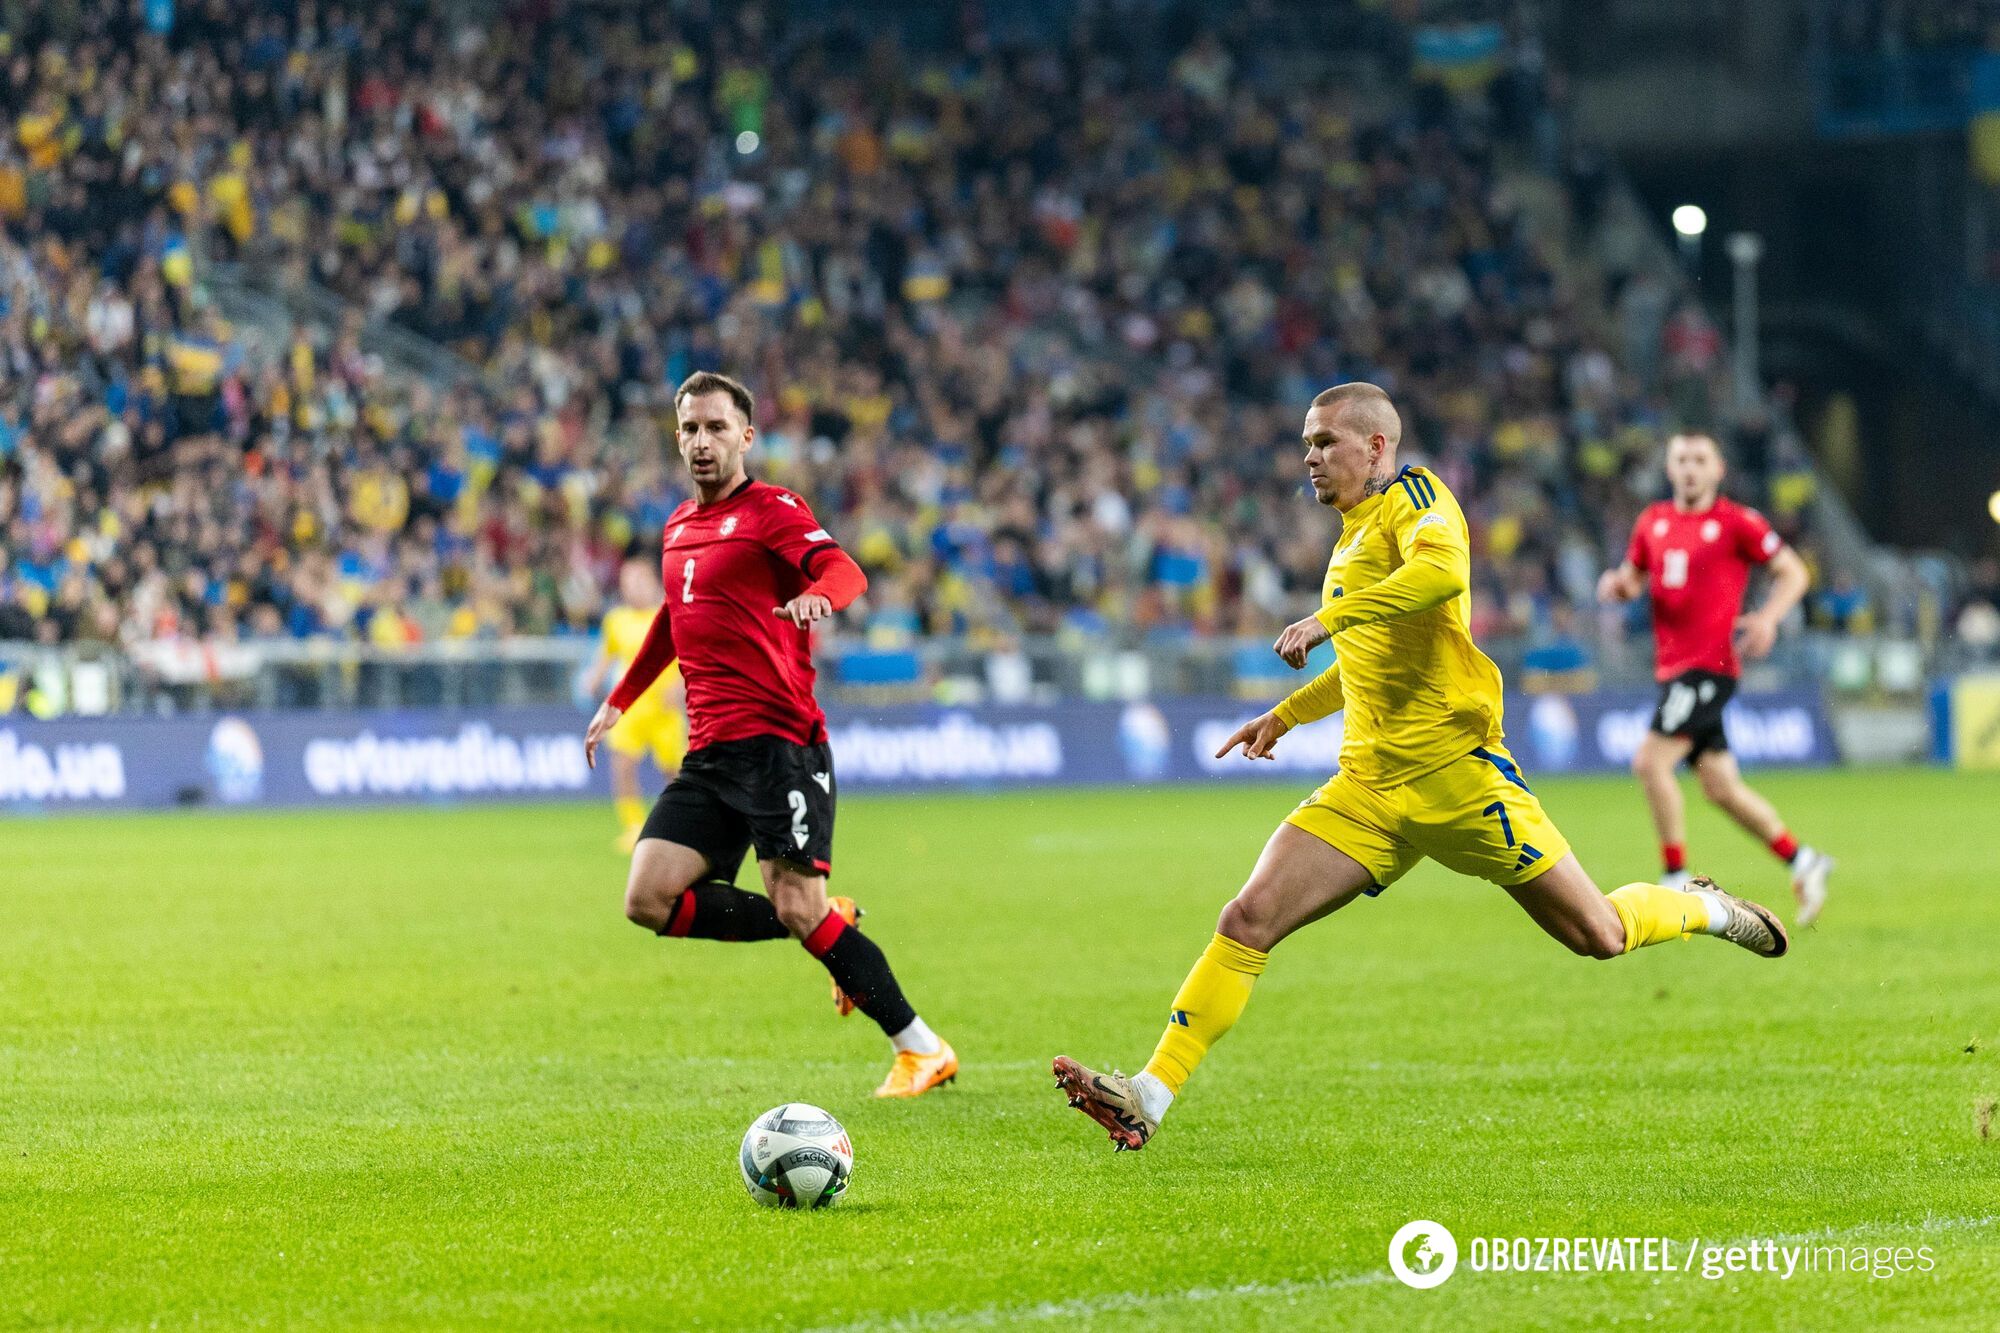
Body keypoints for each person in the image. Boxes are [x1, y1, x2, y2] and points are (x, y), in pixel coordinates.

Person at [1051, 383, 1787, 1151]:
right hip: (1367, 787)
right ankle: (1150, 1093)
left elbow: (1442, 578)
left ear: (1376, 447)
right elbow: (1365, 663)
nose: (1310, 456)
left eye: (1326, 441)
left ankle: (1704, 907)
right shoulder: (1352, 536)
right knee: (1247, 918)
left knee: (1597, 934)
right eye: (1307, 441)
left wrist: (1327, 616)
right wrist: (1286, 714)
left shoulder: (1418, 498)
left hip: (1459, 777)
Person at [586, 371, 957, 1098]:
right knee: (648, 897)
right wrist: (621, 699)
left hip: (780, 745)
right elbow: (674, 618)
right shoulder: (676, 527)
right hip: (710, 753)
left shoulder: (773, 510)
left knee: (794, 904)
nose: (701, 441)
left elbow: (844, 570)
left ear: (746, 437)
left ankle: (922, 1047)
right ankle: (828, 921)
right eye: (690, 428)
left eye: (716, 427)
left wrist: (819, 597)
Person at [1596, 432, 1832, 924]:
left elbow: (1794, 573)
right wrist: (1617, 587)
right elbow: (1631, 579)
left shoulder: (1737, 523)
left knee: (1649, 763)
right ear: (1669, 467)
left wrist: (1768, 618)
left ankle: (1673, 878)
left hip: (1710, 668)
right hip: (1673, 671)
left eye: (1700, 459)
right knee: (1721, 787)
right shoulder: (1652, 522)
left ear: (1718, 469)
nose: (1689, 468)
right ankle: (1802, 859)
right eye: (1681, 458)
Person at [585, 557, 689, 852]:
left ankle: (678, 825)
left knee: (674, 772)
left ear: (654, 581)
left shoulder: (668, 614)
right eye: (626, 583)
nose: (631, 589)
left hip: (665, 710)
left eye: (637, 582)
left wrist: (681, 685)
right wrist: (594, 679)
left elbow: (689, 656)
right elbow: (608, 654)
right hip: (629, 709)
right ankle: (633, 827)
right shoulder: (616, 620)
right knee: (623, 767)